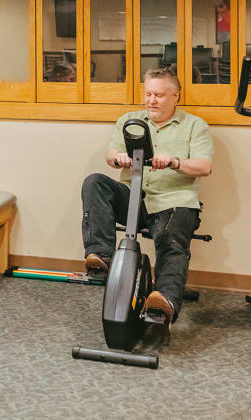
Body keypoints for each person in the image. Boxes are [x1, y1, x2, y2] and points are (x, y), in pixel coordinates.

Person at [81, 67, 214, 326]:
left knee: (170, 239)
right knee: (94, 182)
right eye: (149, 94)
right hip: (133, 198)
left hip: (174, 201)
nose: (152, 100)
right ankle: (102, 257)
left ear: (176, 95)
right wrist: (119, 158)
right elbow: (111, 156)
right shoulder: (130, 121)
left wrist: (175, 162)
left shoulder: (195, 126)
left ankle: (164, 300)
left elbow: (204, 166)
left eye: (160, 95)